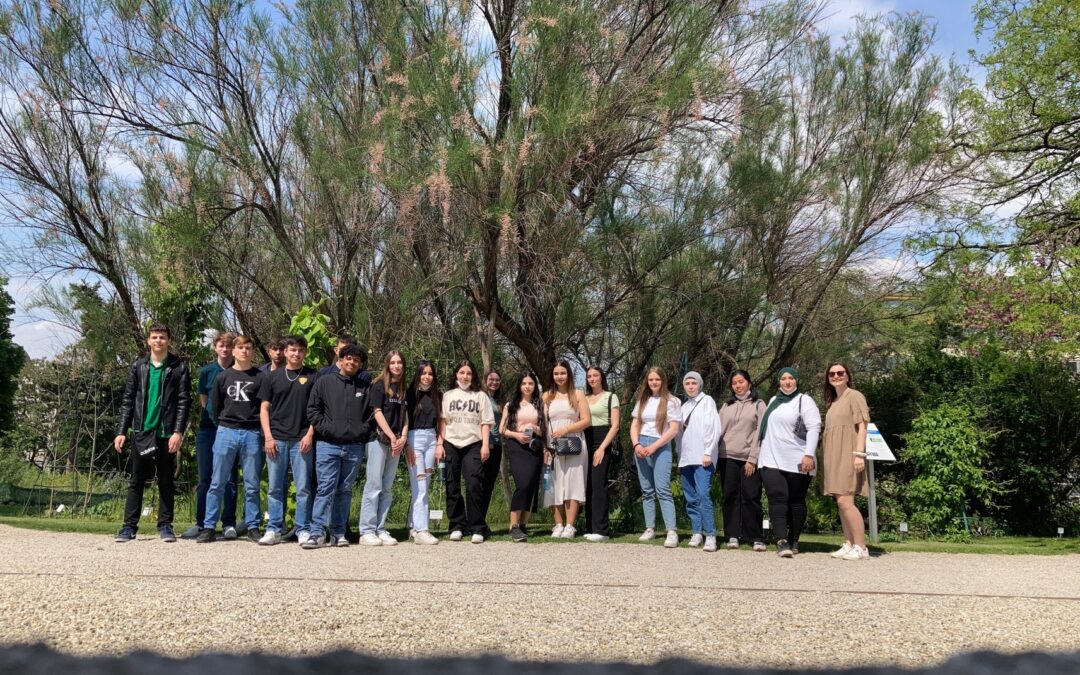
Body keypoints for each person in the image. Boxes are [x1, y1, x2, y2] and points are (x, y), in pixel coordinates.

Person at [113, 324, 191, 542]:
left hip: (166, 432)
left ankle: (165, 526)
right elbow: (128, 400)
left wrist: (178, 432)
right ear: (148, 341)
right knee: (137, 480)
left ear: (169, 341)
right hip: (142, 431)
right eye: (155, 337)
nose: (158, 341)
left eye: (163, 337)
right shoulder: (139, 366)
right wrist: (122, 431)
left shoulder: (178, 367)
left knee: (166, 480)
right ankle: (128, 527)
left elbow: (184, 401)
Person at [198, 335, 267, 543]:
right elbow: (215, 406)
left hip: (252, 433)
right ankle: (209, 527)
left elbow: (263, 407)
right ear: (234, 351)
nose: (244, 351)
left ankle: (253, 525)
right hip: (226, 430)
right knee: (217, 481)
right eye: (240, 347)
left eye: (248, 347)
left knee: (252, 482)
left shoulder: (260, 377)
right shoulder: (223, 376)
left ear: (252, 351)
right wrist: (225, 424)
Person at [304, 344, 373, 548]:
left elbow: (371, 414)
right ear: (340, 360)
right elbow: (313, 410)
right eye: (348, 358)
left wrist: (361, 431)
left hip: (353, 447)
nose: (352, 362)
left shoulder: (363, 387)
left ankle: (338, 533)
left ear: (360, 365)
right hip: (328, 445)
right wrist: (327, 429)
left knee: (345, 490)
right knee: (325, 488)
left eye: (356, 361)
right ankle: (317, 533)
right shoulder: (324, 381)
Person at [257, 335, 317, 546]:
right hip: (277, 440)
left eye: (300, 350)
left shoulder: (312, 376)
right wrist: (268, 437)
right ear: (284, 352)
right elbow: (264, 409)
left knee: (303, 488)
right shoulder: (271, 377)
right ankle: (274, 528)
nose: (296, 354)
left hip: (302, 439)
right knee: (275, 487)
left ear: (305, 353)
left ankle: (303, 528)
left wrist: (310, 434)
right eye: (292, 350)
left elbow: (318, 410)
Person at [758, 367, 821, 558]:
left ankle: (794, 539)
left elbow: (814, 427)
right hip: (771, 458)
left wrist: (809, 454)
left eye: (791, 378)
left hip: (798, 458)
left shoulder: (804, 400)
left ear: (796, 380)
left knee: (796, 501)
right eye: (783, 378)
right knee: (776, 498)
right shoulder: (773, 401)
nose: (787, 382)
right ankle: (781, 541)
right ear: (779, 382)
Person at [182, 331, 239, 540]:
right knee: (206, 478)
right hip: (208, 429)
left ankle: (229, 523)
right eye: (221, 346)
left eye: (229, 346)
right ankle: (202, 523)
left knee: (230, 479)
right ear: (215, 347)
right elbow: (204, 400)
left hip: (232, 428)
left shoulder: (240, 370)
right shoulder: (207, 371)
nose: (225, 349)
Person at [438, 359, 494, 544]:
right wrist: (440, 444)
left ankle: (477, 526)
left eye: (468, 373)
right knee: (452, 486)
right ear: (456, 375)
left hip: (473, 444)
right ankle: (456, 525)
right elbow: (443, 422)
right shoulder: (447, 396)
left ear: (473, 376)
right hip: (451, 443)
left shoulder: (480, 396)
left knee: (474, 485)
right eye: (462, 372)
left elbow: (485, 422)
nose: (465, 376)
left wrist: (485, 445)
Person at [822, 361, 871, 561]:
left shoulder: (855, 396)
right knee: (840, 501)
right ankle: (849, 543)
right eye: (832, 373)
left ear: (847, 375)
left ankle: (861, 546)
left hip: (849, 454)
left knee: (846, 500)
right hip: (834, 455)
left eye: (840, 372)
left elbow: (862, 427)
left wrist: (859, 454)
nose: (836, 376)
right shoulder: (833, 401)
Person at [629, 367, 683, 548]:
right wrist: (637, 444)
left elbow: (674, 429)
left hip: (661, 445)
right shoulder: (643, 400)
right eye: (651, 379)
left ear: (663, 380)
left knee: (663, 489)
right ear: (647, 381)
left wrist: (653, 446)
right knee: (647, 490)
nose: (654, 383)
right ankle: (650, 528)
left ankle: (671, 531)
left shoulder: (672, 401)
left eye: (657, 380)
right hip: (641, 445)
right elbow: (635, 424)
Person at [359, 351, 408, 546]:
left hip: (396, 442)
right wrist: (391, 435)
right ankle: (366, 530)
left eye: (399, 363)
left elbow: (406, 415)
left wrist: (403, 437)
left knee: (387, 487)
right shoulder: (379, 385)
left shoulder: (403, 389)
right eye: (393, 362)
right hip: (378, 440)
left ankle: (381, 528)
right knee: (374, 486)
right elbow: (377, 413)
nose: (396, 366)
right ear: (388, 365)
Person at [718, 370, 767, 552]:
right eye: (734, 383)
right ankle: (732, 535)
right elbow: (718, 431)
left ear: (749, 383)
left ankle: (755, 536)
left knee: (751, 497)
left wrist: (752, 459)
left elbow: (760, 434)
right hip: (727, 457)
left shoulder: (759, 405)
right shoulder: (727, 405)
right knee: (730, 496)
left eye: (741, 382)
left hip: (749, 458)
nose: (738, 385)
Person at [543, 360, 591, 539]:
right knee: (554, 484)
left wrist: (566, 429)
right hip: (553, 446)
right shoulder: (547, 396)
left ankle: (570, 525)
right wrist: (544, 447)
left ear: (568, 374)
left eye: (562, 373)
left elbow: (586, 420)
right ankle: (558, 524)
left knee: (573, 483)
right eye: (556, 373)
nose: (559, 377)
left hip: (573, 444)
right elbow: (543, 423)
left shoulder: (577, 394)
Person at [677, 371, 721, 552]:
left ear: (700, 384)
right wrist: (678, 455)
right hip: (685, 458)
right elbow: (679, 435)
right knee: (691, 497)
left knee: (703, 495)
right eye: (687, 383)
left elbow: (714, 427)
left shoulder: (707, 401)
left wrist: (708, 452)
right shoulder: (684, 406)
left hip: (702, 457)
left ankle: (710, 534)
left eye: (693, 383)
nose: (690, 386)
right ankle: (697, 532)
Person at [499, 372, 545, 542]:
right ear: (519, 385)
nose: (527, 386)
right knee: (522, 484)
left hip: (534, 447)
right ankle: (513, 526)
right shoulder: (511, 405)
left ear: (535, 386)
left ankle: (524, 524)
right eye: (524, 383)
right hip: (517, 446)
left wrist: (535, 428)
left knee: (531, 486)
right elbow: (502, 429)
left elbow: (544, 430)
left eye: (530, 383)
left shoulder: (540, 405)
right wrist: (517, 435)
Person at [405, 360, 442, 546]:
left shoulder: (437, 395)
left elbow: (441, 422)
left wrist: (440, 443)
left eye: (430, 373)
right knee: (419, 486)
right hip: (414, 439)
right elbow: (404, 421)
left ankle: (413, 524)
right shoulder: (410, 394)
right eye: (423, 373)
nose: (427, 377)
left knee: (424, 485)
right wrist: (407, 445)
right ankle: (422, 530)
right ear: (418, 374)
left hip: (431, 440)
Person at [583, 366, 619, 542]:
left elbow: (615, 426)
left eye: (595, 375)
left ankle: (601, 530)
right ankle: (590, 527)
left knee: (598, 485)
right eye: (589, 376)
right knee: (587, 486)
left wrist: (602, 448)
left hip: (602, 442)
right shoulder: (584, 397)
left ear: (601, 377)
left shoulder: (611, 397)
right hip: (584, 442)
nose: (592, 378)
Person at [479, 370, 503, 536]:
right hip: (483, 445)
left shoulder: (499, 401)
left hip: (497, 445)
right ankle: (474, 520)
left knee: (488, 486)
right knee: (478, 485)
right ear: (485, 380)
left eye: (497, 379)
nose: (494, 382)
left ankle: (481, 520)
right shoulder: (480, 396)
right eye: (491, 379)